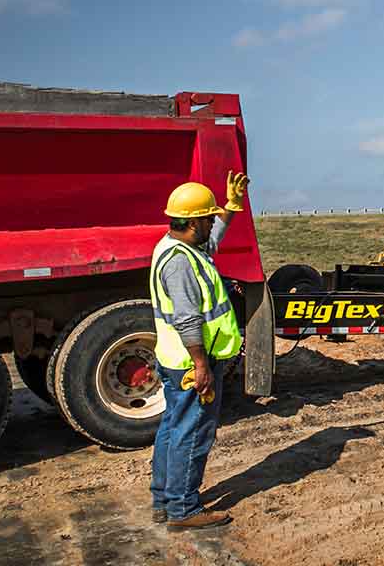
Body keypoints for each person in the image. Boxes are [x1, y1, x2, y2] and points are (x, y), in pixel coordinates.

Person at [149, 171, 250, 530]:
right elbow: (188, 318)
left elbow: (211, 240)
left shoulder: (178, 246)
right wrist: (201, 365)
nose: (212, 222)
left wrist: (231, 207)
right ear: (192, 222)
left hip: (176, 360)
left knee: (172, 428)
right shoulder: (180, 263)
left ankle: (163, 499)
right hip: (190, 364)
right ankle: (183, 509)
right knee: (193, 433)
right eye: (208, 218)